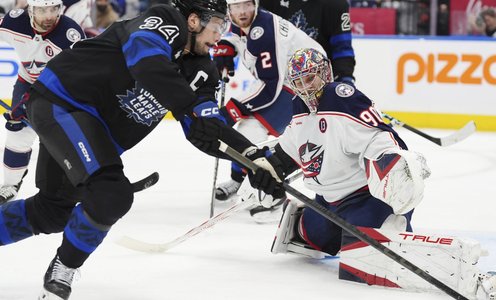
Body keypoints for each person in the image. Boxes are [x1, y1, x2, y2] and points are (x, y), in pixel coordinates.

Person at [0, 0, 284, 299]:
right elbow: (146, 64)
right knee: (111, 194)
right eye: (216, 26)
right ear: (192, 21)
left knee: (52, 212)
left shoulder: (203, 70)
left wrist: (254, 160)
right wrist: (188, 107)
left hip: (88, 129)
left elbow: (205, 130)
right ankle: (63, 270)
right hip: (63, 103)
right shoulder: (163, 20)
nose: (219, 36)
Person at [266, 48, 496, 299]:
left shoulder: (341, 98)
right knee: (311, 236)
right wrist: (267, 167)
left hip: (365, 198)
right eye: (298, 82)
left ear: (325, 73)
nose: (305, 88)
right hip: (328, 201)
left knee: (365, 261)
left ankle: (443, 257)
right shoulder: (298, 108)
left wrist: (393, 164)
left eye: (309, 78)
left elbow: (381, 138)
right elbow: (290, 148)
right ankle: (328, 223)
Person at [212, 0, 325, 221]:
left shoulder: (264, 32)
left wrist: (232, 110)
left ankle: (272, 193)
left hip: (307, 84)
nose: (242, 11)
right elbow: (235, 34)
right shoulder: (243, 23)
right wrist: (227, 45)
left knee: (250, 132)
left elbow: (270, 85)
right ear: (229, 9)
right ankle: (240, 180)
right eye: (236, 7)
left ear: (255, 4)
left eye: (246, 5)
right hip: (293, 80)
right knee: (248, 132)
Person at [0, 0, 85, 204]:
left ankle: (87, 182)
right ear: (30, 9)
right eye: (42, 10)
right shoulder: (14, 22)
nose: (48, 16)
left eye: (53, 9)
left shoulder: (70, 34)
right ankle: (10, 184)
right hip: (27, 82)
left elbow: (83, 73)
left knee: (69, 139)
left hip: (60, 89)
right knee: (17, 130)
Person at [260, 0, 355, 83]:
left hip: (317, 81)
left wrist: (345, 79)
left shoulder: (335, 5)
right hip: (279, 79)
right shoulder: (269, 2)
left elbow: (342, 49)